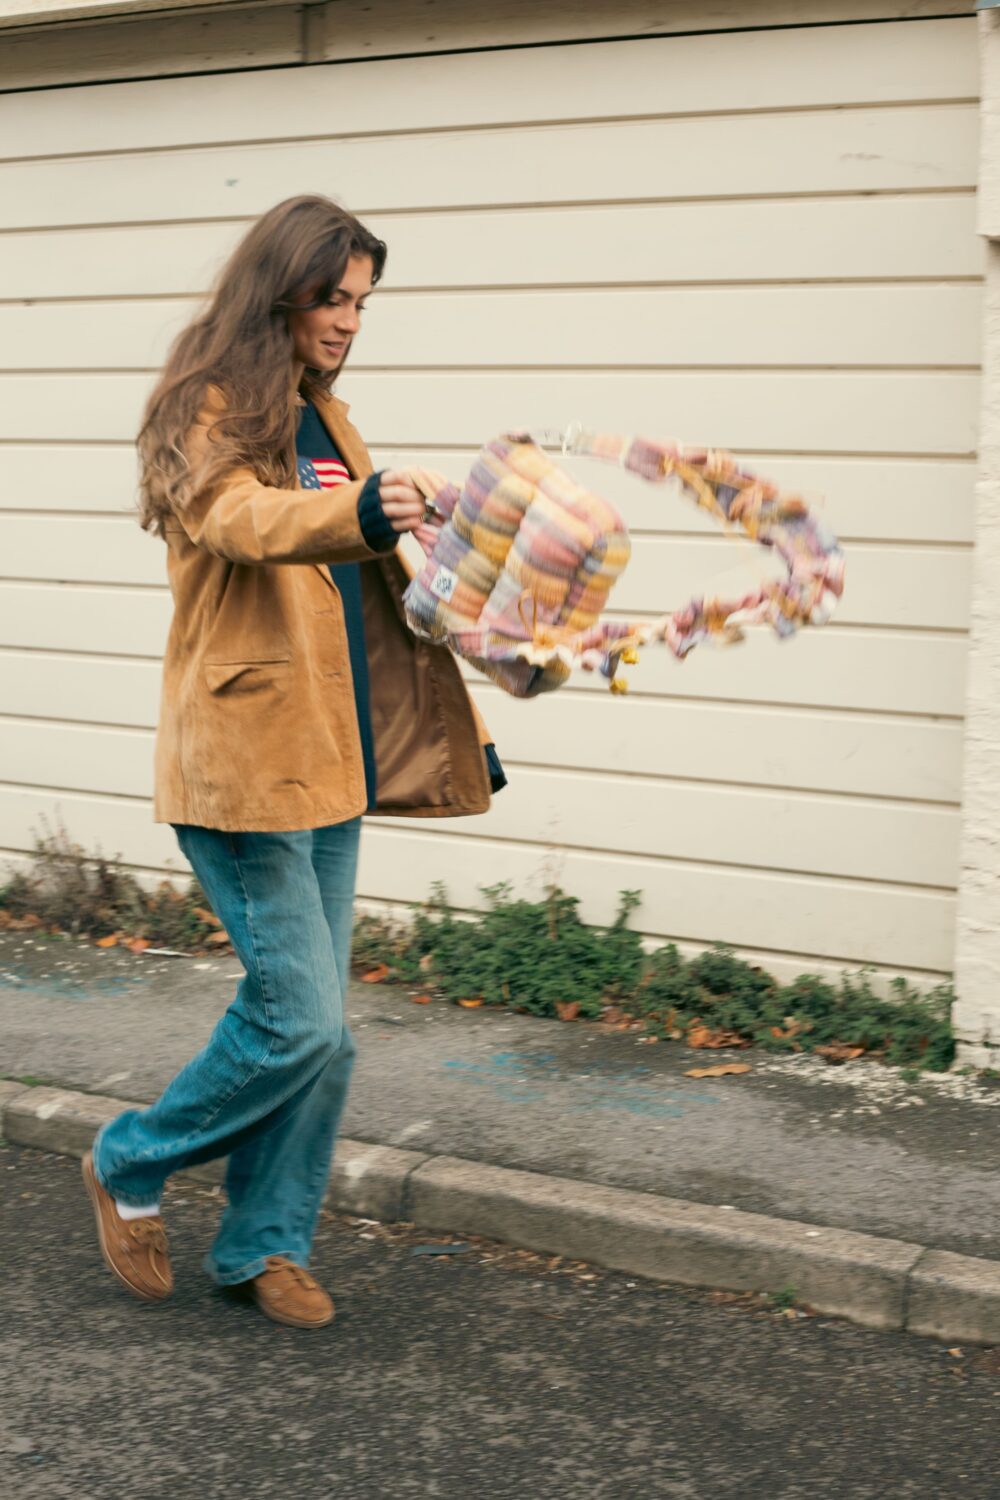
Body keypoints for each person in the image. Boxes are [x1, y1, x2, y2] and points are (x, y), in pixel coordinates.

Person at [82, 194, 505, 1330]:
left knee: (322, 1029)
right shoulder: (199, 410)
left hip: (333, 754)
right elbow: (244, 523)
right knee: (300, 1018)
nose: (350, 320)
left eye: (363, 301)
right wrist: (363, 510)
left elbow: (357, 579)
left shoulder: (329, 421)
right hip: (241, 755)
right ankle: (129, 1155)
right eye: (334, 296)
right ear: (282, 287)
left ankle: (264, 1247)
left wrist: (440, 531)